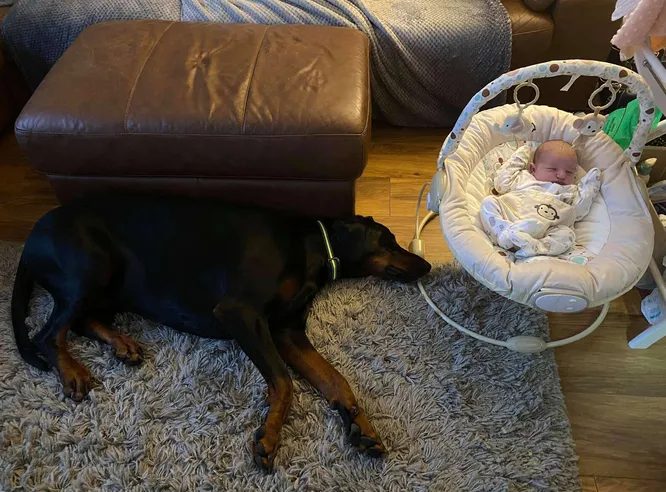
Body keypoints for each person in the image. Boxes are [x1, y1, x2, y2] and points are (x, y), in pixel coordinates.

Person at [480, 140, 601, 258]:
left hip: (546, 230)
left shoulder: (570, 191)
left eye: (569, 172)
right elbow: (501, 183)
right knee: (489, 202)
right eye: (553, 169)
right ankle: (504, 234)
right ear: (533, 169)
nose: (562, 175)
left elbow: (579, 211)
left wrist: (590, 185)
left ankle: (537, 247)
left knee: (567, 235)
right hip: (511, 219)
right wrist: (524, 152)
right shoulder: (524, 178)